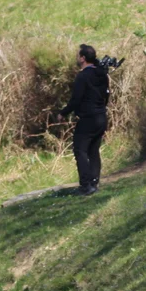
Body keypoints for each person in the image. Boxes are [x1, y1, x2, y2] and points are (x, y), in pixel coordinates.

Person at [59, 44, 110, 196]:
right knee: (93, 150)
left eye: (78, 56)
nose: (76, 58)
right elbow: (106, 95)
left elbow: (76, 100)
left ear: (83, 58)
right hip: (101, 116)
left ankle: (86, 185)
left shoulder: (82, 76)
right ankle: (94, 182)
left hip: (88, 118)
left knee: (80, 150)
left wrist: (63, 113)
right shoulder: (102, 74)